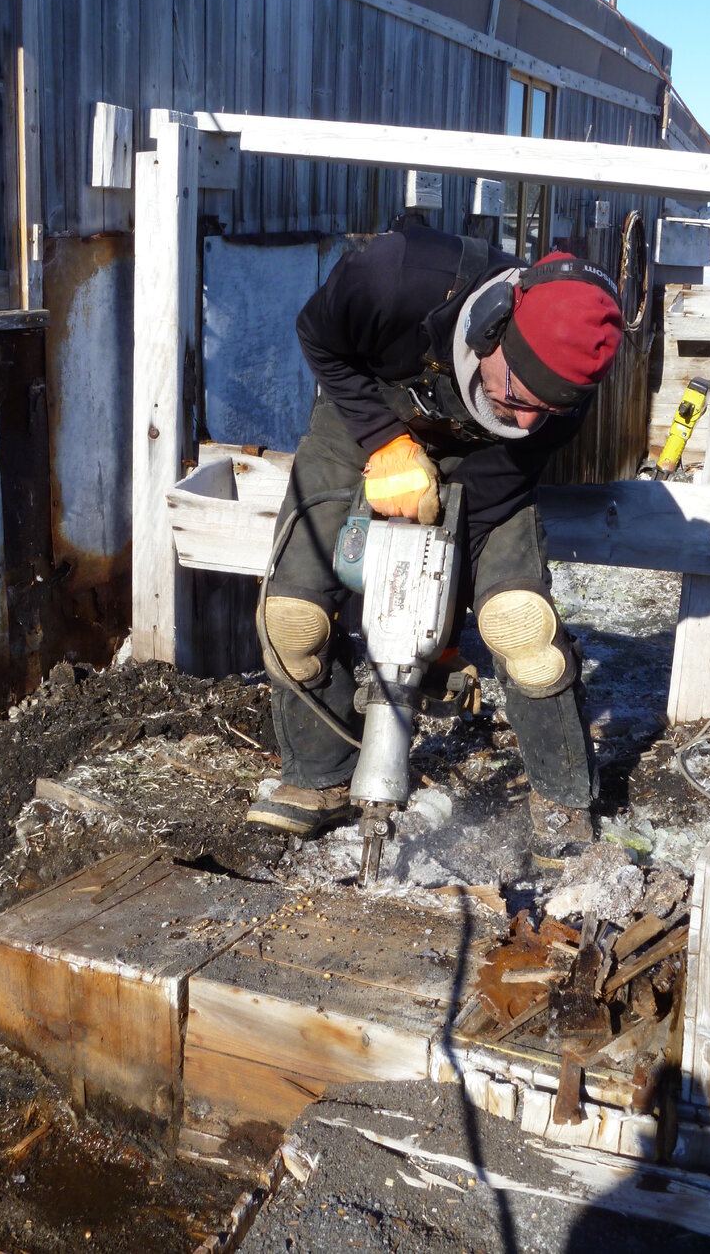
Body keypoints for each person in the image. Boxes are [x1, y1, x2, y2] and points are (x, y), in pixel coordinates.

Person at [246, 224, 623, 863]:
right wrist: (384, 443)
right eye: (516, 394)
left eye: (546, 410)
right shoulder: (397, 278)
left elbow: (501, 484)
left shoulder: (563, 400)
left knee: (521, 628)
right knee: (293, 621)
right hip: (359, 424)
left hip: (483, 469)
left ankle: (563, 799)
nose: (527, 419)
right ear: (492, 329)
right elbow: (319, 335)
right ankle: (322, 774)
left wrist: (440, 616)